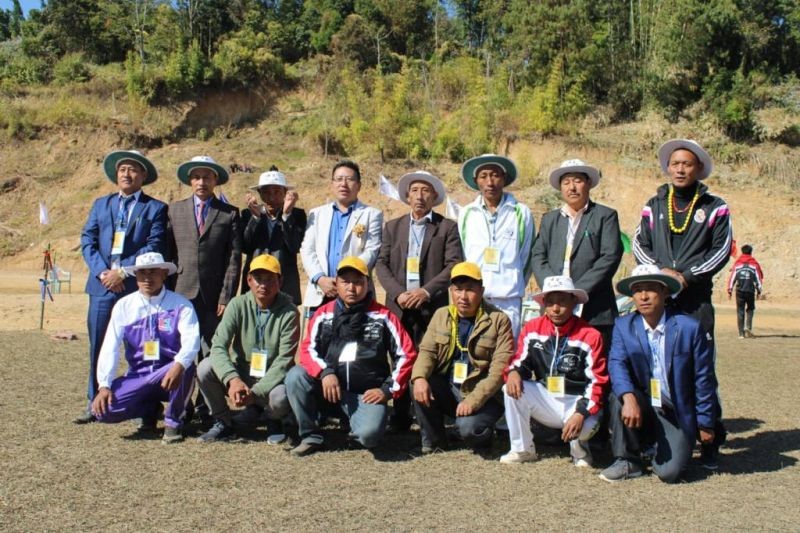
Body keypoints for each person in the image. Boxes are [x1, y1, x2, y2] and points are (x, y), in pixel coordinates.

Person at [285, 256, 416, 456]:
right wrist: (325, 372)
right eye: (346, 282)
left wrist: (387, 389)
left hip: (364, 395)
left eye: (358, 282)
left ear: (367, 284)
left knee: (369, 436)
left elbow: (406, 354)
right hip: (328, 390)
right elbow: (307, 351)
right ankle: (310, 435)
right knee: (295, 376)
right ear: (336, 284)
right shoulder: (322, 314)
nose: (351, 288)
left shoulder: (384, 316)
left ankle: (354, 423)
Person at [599, 265, 719, 483]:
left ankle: (658, 447)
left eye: (651, 289)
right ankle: (628, 461)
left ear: (664, 292)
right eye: (637, 290)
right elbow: (617, 364)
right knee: (618, 397)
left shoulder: (689, 328)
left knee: (669, 473)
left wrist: (705, 422)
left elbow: (704, 378)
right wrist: (628, 397)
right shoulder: (624, 325)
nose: (644, 296)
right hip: (644, 403)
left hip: (676, 410)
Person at [77, 150, 168, 424]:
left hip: (136, 287)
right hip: (102, 286)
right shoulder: (100, 205)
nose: (127, 174)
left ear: (143, 176)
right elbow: (87, 240)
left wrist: (123, 272)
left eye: (133, 170)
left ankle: (147, 408)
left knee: (144, 349)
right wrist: (104, 272)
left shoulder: (155, 208)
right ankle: (95, 402)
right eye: (123, 169)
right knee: (99, 345)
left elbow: (154, 245)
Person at [375, 170, 463, 431]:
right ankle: (400, 415)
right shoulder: (393, 227)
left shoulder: (447, 227)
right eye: (414, 190)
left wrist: (425, 292)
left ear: (434, 197)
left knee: (432, 359)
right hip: (399, 307)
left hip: (431, 307)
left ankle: (431, 416)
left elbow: (453, 265)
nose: (419, 196)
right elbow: (381, 263)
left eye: (426, 191)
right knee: (399, 359)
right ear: (406, 195)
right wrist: (398, 293)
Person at [90, 253, 200, 443]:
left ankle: (174, 421)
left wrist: (179, 364)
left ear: (164, 274)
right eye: (142, 273)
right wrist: (104, 385)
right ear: (136, 276)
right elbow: (111, 346)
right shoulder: (124, 306)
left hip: (169, 374)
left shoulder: (182, 305)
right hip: (138, 376)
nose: (148, 278)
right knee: (102, 411)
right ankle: (150, 409)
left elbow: (192, 341)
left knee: (186, 365)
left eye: (153, 272)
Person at [501, 276, 608, 466]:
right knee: (510, 389)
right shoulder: (533, 328)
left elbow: (598, 382)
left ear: (574, 302)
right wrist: (514, 372)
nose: (555, 309)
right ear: (544, 304)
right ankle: (522, 449)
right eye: (550, 303)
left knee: (585, 427)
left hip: (577, 401)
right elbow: (520, 361)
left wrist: (581, 413)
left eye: (562, 302)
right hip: (547, 398)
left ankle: (580, 451)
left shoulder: (591, 335)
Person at [633, 139, 732, 339]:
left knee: (697, 363)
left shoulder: (715, 207)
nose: (680, 170)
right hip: (660, 296)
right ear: (667, 167)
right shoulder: (654, 205)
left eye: (686, 164)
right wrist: (660, 271)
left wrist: (686, 277)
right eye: (675, 164)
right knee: (658, 361)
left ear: (699, 168)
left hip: (696, 298)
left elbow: (721, 250)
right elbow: (639, 244)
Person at [410, 262, 514, 453]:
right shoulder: (441, 315)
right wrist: (419, 378)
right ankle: (434, 442)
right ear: (451, 291)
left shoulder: (499, 320)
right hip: (450, 387)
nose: (463, 297)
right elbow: (427, 352)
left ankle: (483, 435)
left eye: (470, 290)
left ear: (481, 291)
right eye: (458, 290)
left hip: (483, 394)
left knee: (469, 429)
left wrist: (473, 401)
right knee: (419, 382)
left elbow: (499, 372)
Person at [196, 254, 300, 443]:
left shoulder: (290, 312)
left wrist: (255, 393)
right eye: (259, 279)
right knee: (205, 367)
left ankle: (273, 418)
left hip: (273, 381)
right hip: (242, 376)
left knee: (280, 396)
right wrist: (233, 380)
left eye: (270, 279)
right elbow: (219, 346)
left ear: (280, 281)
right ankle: (223, 422)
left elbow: (285, 360)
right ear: (249, 280)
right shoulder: (237, 305)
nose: (264, 285)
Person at [531, 159, 622, 348]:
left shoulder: (605, 216)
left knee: (595, 368)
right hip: (555, 308)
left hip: (595, 309)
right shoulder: (550, 219)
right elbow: (538, 255)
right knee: (554, 365)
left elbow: (610, 256)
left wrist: (576, 294)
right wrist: (555, 292)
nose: (572, 187)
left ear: (588, 183)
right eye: (566, 182)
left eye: (577, 181)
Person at [167, 155, 241, 368]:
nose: (202, 182)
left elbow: (233, 260)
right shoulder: (174, 210)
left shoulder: (229, 213)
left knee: (211, 350)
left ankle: (205, 400)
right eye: (197, 177)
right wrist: (167, 292)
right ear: (190, 181)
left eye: (207, 177)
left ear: (215, 180)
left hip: (213, 295)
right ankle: (183, 400)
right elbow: (168, 254)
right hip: (180, 292)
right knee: (180, 349)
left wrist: (226, 296)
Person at [457, 154, 534, 337]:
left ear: (504, 179)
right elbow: (462, 254)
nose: (490, 182)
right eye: (483, 176)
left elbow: (526, 256)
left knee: (506, 352)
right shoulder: (467, 213)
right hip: (475, 298)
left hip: (509, 299)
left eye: (495, 175)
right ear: (476, 181)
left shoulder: (521, 212)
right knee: (474, 350)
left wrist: (512, 282)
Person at [300, 160, 383, 310]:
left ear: (358, 186)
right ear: (332, 185)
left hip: (355, 292)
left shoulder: (372, 214)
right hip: (322, 292)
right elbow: (307, 250)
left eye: (350, 179)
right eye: (338, 179)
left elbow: (372, 250)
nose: (343, 184)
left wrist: (346, 281)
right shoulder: (317, 214)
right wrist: (320, 278)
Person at [241, 168, 306, 305]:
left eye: (277, 192)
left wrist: (287, 215)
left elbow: (295, 246)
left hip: (285, 283)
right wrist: (255, 217)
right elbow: (246, 246)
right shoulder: (248, 214)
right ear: (259, 194)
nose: (271, 197)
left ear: (285, 193)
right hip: (256, 283)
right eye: (266, 192)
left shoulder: (297, 215)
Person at [727, 244, 764, 338]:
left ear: (742, 252)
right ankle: (748, 327)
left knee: (740, 311)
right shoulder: (754, 265)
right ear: (751, 252)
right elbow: (758, 278)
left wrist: (729, 290)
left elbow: (732, 278)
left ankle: (741, 333)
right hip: (750, 291)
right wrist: (759, 291)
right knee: (750, 309)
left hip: (739, 291)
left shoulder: (737, 265)